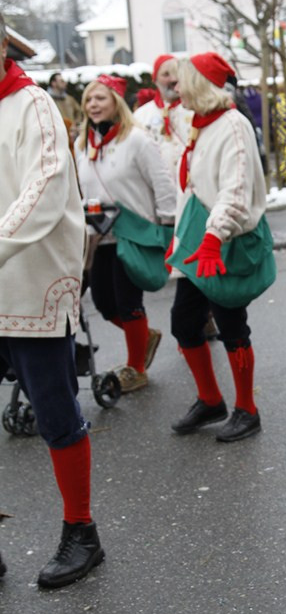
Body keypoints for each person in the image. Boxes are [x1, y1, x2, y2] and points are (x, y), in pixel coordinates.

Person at [0, 13, 103, 589]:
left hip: (33, 286)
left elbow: (42, 190)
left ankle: (81, 532)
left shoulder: (33, 104)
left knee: (56, 417)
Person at [168, 53, 267, 443]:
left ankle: (248, 409)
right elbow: (190, 191)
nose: (175, 88)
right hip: (201, 242)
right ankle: (211, 400)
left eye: (181, 81)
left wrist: (213, 238)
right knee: (183, 324)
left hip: (225, 241)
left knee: (231, 325)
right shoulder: (200, 124)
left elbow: (236, 189)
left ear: (199, 83)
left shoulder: (232, 125)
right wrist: (179, 244)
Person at [75, 75, 176, 392]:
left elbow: (162, 182)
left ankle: (136, 369)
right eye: (89, 100)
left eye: (100, 98)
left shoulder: (137, 139)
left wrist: (167, 225)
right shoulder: (83, 144)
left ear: (116, 103)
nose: (93, 105)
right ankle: (144, 336)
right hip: (99, 234)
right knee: (105, 303)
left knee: (128, 299)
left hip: (135, 231)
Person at [133, 54, 193, 178]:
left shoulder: (194, 109)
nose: (173, 79)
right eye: (166, 75)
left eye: (177, 73)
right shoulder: (141, 115)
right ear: (155, 80)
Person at [46, 71, 84, 138]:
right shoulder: (46, 100)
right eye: (61, 81)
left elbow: (79, 112)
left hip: (72, 135)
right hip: (56, 136)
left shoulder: (70, 99)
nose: (65, 83)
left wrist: (75, 124)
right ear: (53, 83)